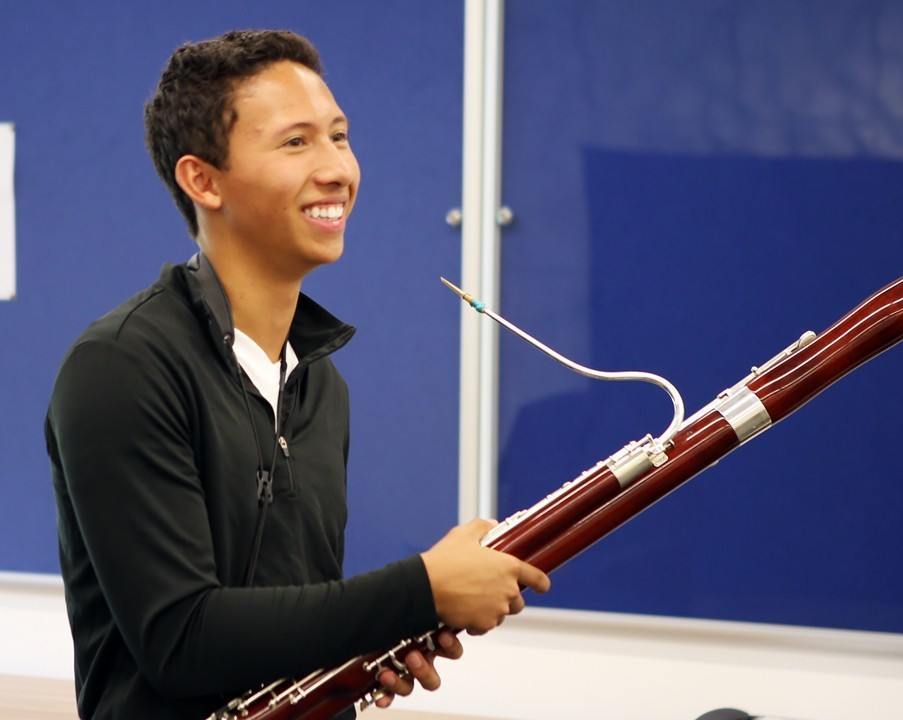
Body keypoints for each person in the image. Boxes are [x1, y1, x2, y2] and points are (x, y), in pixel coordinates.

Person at [45, 29, 550, 719]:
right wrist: (420, 591)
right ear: (202, 179)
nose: (337, 168)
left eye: (339, 137)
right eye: (296, 142)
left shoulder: (318, 384)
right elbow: (180, 638)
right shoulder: (121, 365)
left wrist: (371, 644)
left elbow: (289, 621)